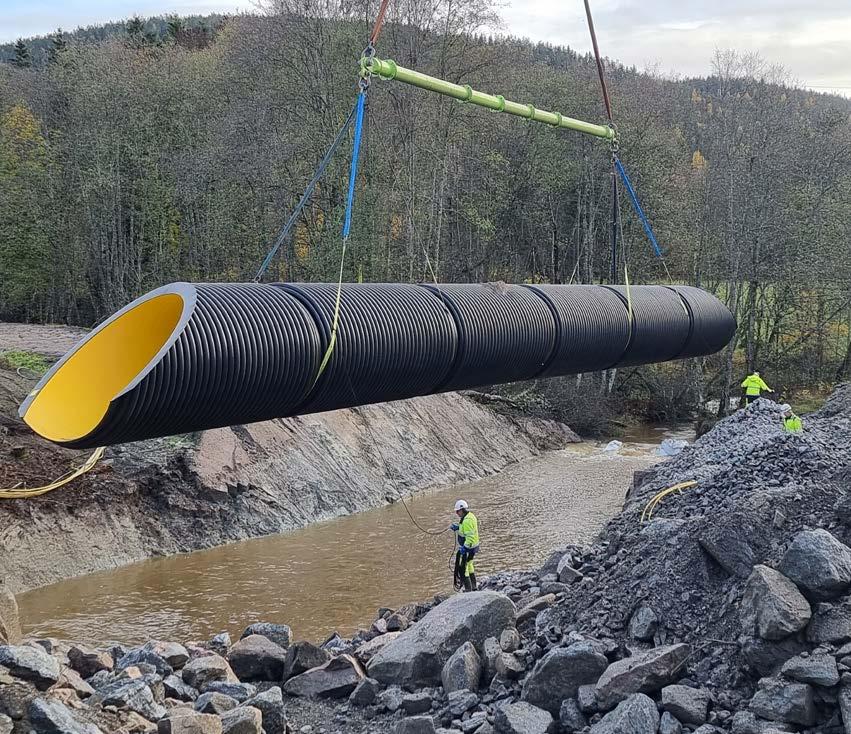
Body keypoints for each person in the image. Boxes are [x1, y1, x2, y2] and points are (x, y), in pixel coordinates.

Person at [450, 499, 480, 592]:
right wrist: (458, 527)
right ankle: (474, 587)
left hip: (468, 547)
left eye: (457, 511)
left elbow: (469, 537)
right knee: (470, 564)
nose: (456, 513)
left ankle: (468, 589)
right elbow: (466, 529)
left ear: (462, 510)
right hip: (473, 547)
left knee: (464, 567)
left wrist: (465, 548)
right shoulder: (470, 516)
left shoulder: (467, 521)